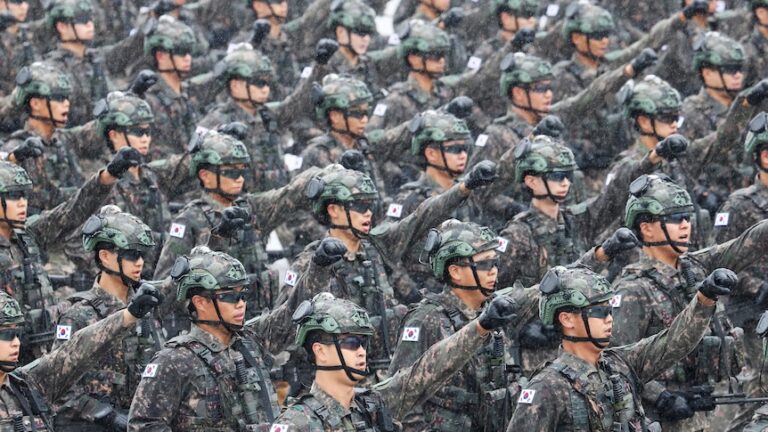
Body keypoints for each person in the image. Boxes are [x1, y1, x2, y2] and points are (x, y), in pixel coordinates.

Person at [611, 174, 768, 431]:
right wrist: (661, 397)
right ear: (646, 227)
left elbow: (747, 244)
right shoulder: (632, 290)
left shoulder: (693, 268)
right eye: (675, 219)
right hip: (658, 418)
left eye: (687, 218)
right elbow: (614, 362)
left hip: (699, 416)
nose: (685, 226)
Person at [506, 264, 732, 431]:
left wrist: (704, 299)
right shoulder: (547, 387)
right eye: (599, 312)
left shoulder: (620, 364)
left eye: (610, 310)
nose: (609, 319)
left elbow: (674, 341)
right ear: (567, 319)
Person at [271, 290, 518, 430]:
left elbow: (430, 367)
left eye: (363, 343)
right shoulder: (297, 424)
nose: (361, 352)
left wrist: (480, 327)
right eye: (350, 343)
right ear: (320, 351)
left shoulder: (370, 406)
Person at [128, 246, 281, 431]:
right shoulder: (173, 361)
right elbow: (143, 426)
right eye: (231, 296)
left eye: (243, 295)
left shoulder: (248, 342)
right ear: (200, 302)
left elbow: (288, 319)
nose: (241, 304)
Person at [388, 220, 518, 431]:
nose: (493, 271)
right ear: (455, 271)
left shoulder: (492, 312)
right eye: (484, 264)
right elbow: (398, 397)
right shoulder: (426, 319)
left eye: (495, 263)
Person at [52, 206, 166, 431]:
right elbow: (56, 386)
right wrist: (106, 415)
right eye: (132, 255)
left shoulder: (145, 307)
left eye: (142, 254)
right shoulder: (78, 316)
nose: (140, 262)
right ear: (105, 256)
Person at [0, 281, 162, 429]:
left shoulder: (26, 386)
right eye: (7, 335)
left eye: (18, 335)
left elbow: (77, 349)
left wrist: (129, 315)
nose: (16, 343)